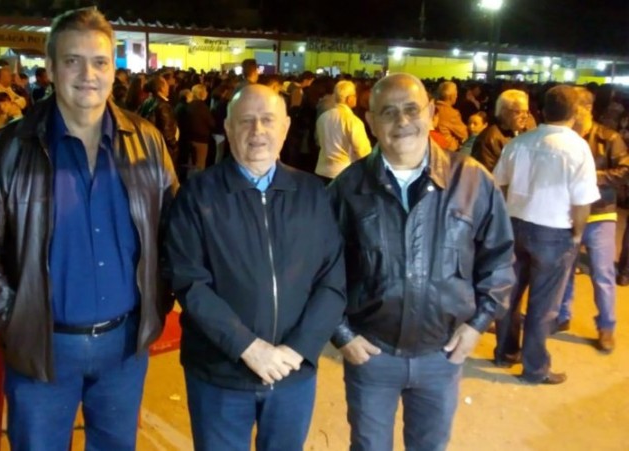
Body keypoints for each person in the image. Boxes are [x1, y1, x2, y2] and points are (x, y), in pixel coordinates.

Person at [0, 7, 178, 450]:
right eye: (73, 61)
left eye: (99, 62)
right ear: (52, 68)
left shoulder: (147, 142)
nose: (88, 75)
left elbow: (174, 234)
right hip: (43, 349)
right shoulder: (7, 149)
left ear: (113, 70)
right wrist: (12, 320)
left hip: (124, 348)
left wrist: (158, 302)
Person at [329, 73, 515, 450]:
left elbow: (499, 259)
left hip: (442, 355)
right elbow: (320, 272)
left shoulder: (472, 181)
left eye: (412, 110)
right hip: (372, 356)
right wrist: (342, 335)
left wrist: (478, 324)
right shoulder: (347, 189)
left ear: (431, 113)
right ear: (371, 121)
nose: (402, 121)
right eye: (388, 112)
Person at [165, 84, 345, 451]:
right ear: (228, 128)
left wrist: (297, 350)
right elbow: (189, 282)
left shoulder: (312, 193)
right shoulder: (198, 195)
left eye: (267, 120)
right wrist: (248, 347)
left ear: (286, 127)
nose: (257, 130)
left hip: (292, 373)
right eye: (246, 120)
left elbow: (332, 280)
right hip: (219, 374)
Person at [493, 85, 600, 384]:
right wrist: (578, 233)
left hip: (515, 226)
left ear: (540, 110)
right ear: (575, 112)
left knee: (509, 295)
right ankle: (535, 368)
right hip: (554, 232)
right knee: (543, 304)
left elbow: (498, 184)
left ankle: (505, 352)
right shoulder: (577, 148)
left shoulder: (519, 142)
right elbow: (582, 202)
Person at [555, 87, 628, 353]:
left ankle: (606, 326)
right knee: (565, 270)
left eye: (573, 107)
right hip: (568, 212)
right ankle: (562, 316)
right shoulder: (564, 137)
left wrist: (592, 177)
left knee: (602, 272)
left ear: (586, 108)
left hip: (600, 213)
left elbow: (625, 170)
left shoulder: (609, 137)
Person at [314, 80, 372, 183]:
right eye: (354, 95)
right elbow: (363, 151)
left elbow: (318, 141)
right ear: (349, 99)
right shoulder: (352, 121)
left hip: (322, 171)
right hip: (344, 172)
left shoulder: (323, 117)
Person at [471, 89, 531, 172]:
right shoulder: (489, 139)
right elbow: (484, 175)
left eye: (526, 112)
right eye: (518, 112)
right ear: (503, 112)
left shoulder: (522, 133)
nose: (525, 116)